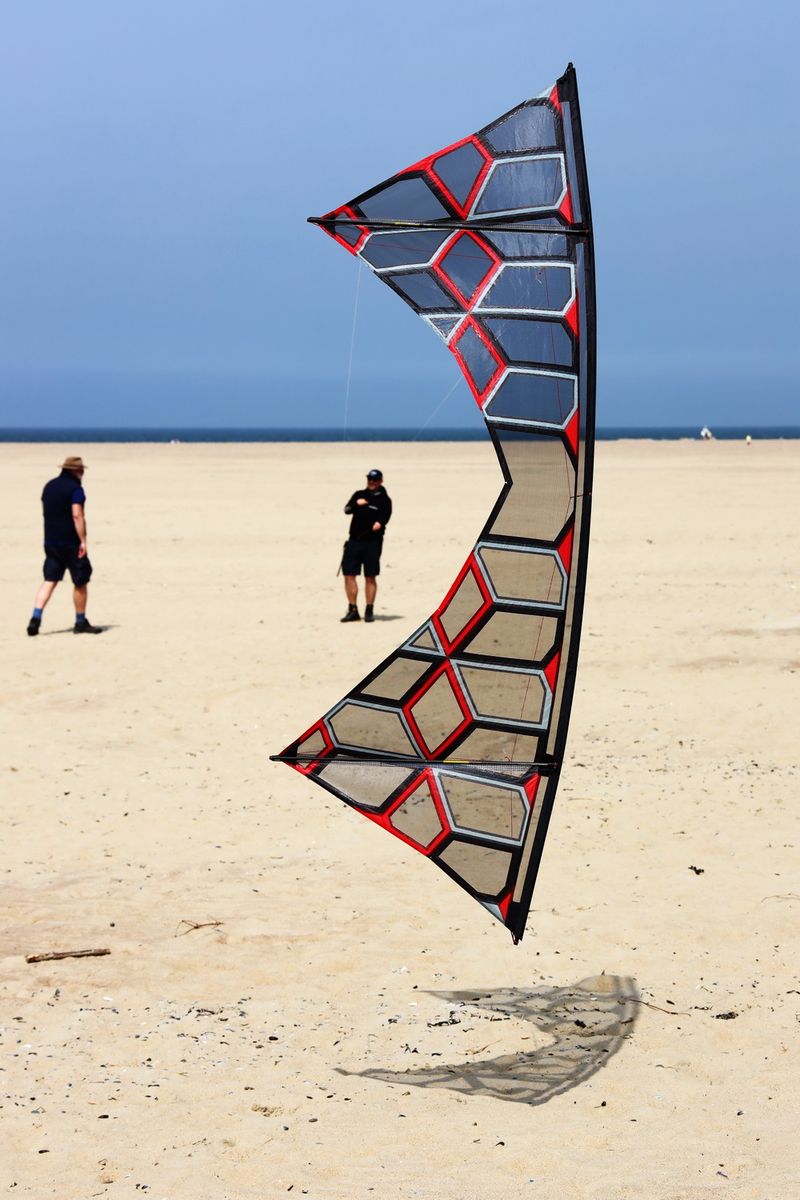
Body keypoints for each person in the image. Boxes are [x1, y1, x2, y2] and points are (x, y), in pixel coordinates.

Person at [27, 455, 102, 636]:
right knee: (80, 581)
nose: (82, 474)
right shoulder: (75, 489)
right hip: (71, 542)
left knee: (50, 580)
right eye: (81, 470)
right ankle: (80, 621)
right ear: (76, 471)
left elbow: (45, 511)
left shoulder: (49, 486)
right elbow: (77, 515)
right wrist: (83, 540)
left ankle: (35, 618)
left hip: (51, 541)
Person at [340, 468, 392, 623]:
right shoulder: (359, 494)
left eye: (375, 480)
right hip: (354, 541)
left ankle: (369, 609)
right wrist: (357, 504)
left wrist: (379, 523)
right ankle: (352, 609)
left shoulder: (384, 500)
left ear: (381, 481)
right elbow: (347, 510)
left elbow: (384, 518)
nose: (372, 482)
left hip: (372, 543)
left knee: (370, 576)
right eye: (370, 479)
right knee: (349, 575)